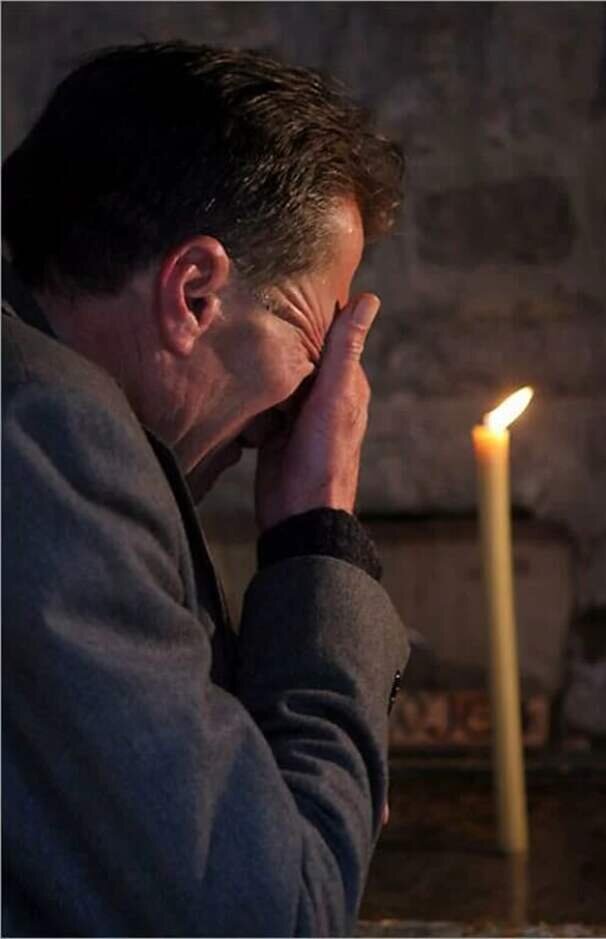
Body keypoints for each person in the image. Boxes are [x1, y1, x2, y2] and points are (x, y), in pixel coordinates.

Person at [2, 42, 410, 937]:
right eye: (314, 343)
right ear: (193, 293)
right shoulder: (51, 436)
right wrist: (318, 536)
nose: (304, 410)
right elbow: (271, 915)